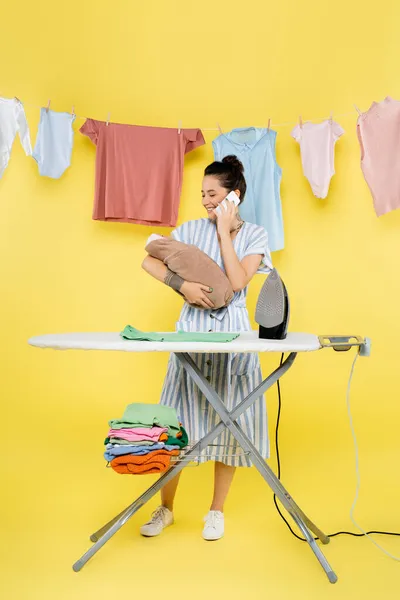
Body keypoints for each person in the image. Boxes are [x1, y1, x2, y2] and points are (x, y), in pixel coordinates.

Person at [140, 155, 273, 540]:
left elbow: (236, 282)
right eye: (202, 194)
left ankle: (216, 512)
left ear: (234, 196)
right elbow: (148, 261)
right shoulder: (188, 230)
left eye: (212, 194)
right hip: (191, 331)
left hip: (234, 335)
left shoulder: (256, 235)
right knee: (176, 422)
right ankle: (165, 509)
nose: (205, 201)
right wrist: (181, 286)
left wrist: (224, 234)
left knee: (231, 419)